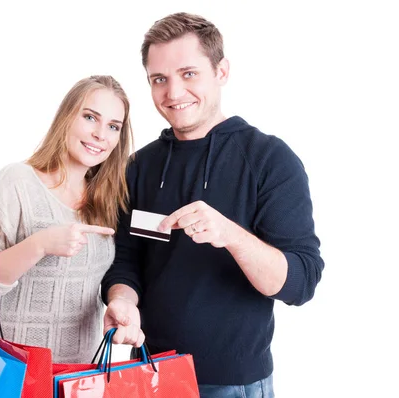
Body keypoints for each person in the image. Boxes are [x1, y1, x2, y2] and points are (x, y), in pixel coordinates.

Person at [100, 12, 324, 397]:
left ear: (221, 71)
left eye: (188, 74)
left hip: (232, 383)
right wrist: (122, 301)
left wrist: (231, 235)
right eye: (159, 79)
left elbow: (300, 283)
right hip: (148, 372)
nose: (173, 93)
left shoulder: (269, 159)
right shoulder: (139, 166)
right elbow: (126, 259)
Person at [0, 75, 134, 363]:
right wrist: (39, 244)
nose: (101, 134)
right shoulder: (18, 182)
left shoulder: (107, 200)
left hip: (77, 376)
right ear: (66, 117)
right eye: (90, 117)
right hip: (13, 369)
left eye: (113, 126)